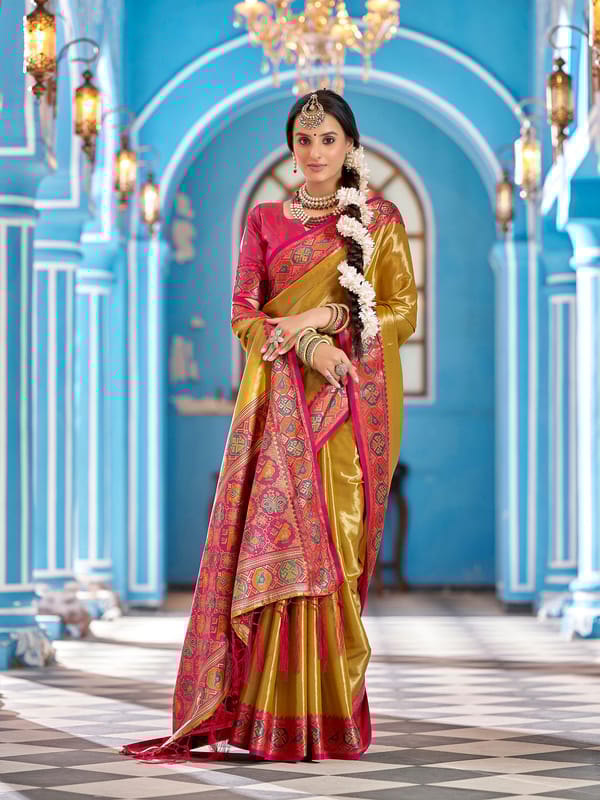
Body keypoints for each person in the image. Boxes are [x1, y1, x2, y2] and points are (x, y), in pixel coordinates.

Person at [121, 88, 417, 763]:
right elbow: (242, 314)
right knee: (277, 548)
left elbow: (401, 311)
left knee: (335, 553)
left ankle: (328, 717)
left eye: (328, 139)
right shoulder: (263, 220)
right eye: (304, 140)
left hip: (346, 406)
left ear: (349, 146)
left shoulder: (380, 220)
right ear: (291, 148)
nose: (315, 151)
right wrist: (304, 344)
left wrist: (329, 320)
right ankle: (265, 722)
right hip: (278, 409)